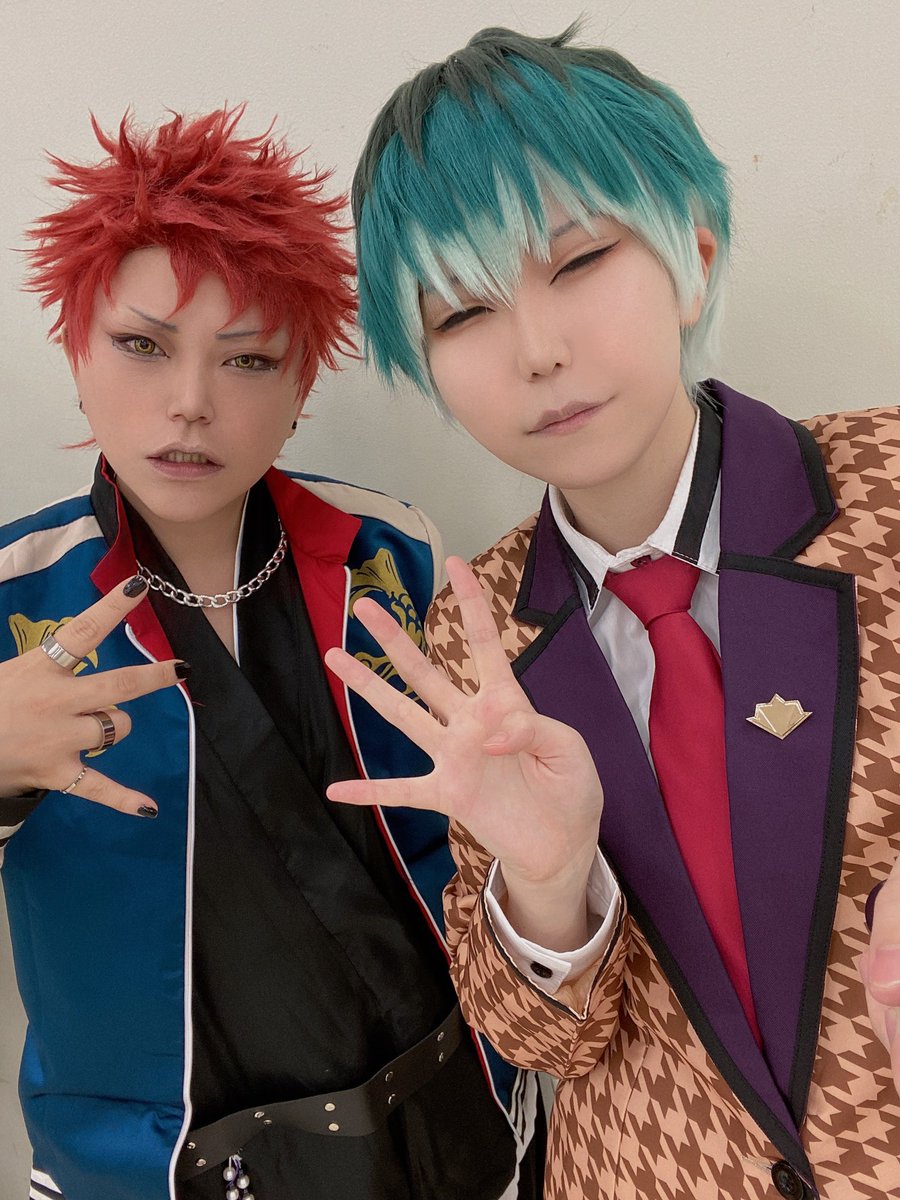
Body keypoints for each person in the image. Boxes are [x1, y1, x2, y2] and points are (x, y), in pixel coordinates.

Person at [324, 24, 900, 1200]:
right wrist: (548, 883)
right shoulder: (473, 628)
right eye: (462, 315)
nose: (537, 351)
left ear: (693, 254)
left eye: (580, 261)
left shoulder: (887, 488)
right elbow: (541, 1042)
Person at [0, 108, 540, 1200]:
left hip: (450, 1127)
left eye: (248, 360)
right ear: (75, 350)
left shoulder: (392, 550)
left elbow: (486, 840)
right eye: (142, 345)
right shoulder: (16, 589)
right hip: (150, 1165)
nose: (191, 403)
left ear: (299, 392)